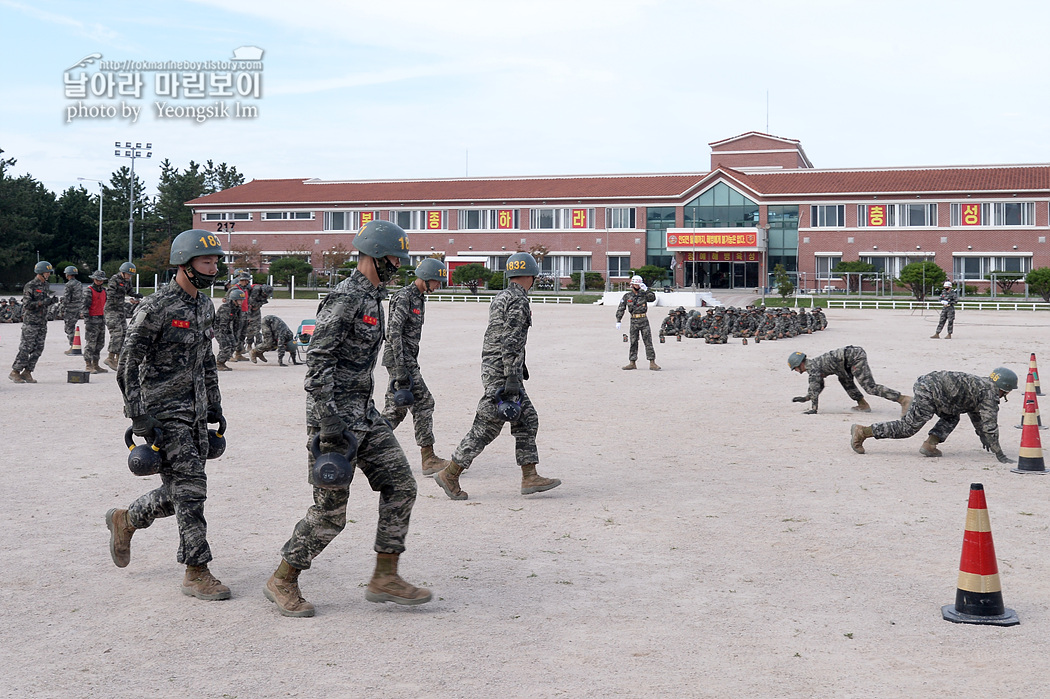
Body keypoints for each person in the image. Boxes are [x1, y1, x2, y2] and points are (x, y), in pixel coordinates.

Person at [264, 220, 430, 618]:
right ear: (374, 254)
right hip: (334, 418)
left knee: (402, 485)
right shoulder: (346, 297)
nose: (398, 264)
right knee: (330, 513)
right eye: (394, 257)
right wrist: (327, 422)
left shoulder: (375, 297)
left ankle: (385, 576)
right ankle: (283, 578)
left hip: (364, 412)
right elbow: (318, 360)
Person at [105, 229, 230, 601]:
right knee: (192, 490)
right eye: (207, 261)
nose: (213, 266)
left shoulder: (204, 306)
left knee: (181, 491)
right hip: (163, 415)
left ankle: (126, 519)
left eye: (215, 261)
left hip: (194, 411)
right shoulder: (155, 307)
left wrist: (214, 404)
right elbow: (127, 364)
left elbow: (205, 359)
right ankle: (196, 571)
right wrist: (138, 415)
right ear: (184, 264)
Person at [434, 251, 561, 501]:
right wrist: (512, 376)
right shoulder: (519, 300)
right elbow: (511, 338)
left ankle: (529, 475)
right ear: (532, 276)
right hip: (502, 372)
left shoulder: (502, 295)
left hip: (496, 366)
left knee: (526, 420)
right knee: (487, 426)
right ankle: (451, 473)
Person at [850, 367, 1017, 463]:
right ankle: (863, 432)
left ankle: (930, 445)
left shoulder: (984, 384)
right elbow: (990, 424)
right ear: (1004, 389)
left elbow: (976, 415)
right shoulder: (989, 394)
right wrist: (999, 453)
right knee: (908, 428)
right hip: (931, 391)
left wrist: (983, 436)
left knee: (952, 416)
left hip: (933, 386)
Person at [381, 257, 453, 476]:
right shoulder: (405, 297)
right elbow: (393, 332)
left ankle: (364, 449)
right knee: (424, 402)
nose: (438, 286)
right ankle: (428, 458)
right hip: (400, 360)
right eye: (437, 282)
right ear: (427, 278)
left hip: (407, 359)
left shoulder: (419, 298)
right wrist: (401, 367)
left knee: (396, 410)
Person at [788, 347, 911, 415]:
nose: (797, 371)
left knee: (870, 387)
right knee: (844, 379)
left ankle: (903, 399)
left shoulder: (813, 368)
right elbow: (819, 385)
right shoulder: (814, 365)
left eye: (796, 369)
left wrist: (813, 408)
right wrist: (806, 398)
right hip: (846, 363)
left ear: (799, 364)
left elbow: (815, 387)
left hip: (854, 358)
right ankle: (863, 405)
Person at [9, 261, 58, 384]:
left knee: (39, 348)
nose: (48, 274)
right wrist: (42, 303)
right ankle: (15, 371)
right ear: (40, 272)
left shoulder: (45, 285)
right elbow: (27, 305)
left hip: (42, 322)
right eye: (47, 272)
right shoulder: (30, 285)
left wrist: (51, 301)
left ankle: (28, 372)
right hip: (31, 322)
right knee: (26, 348)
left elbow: (45, 302)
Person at [103, 261, 143, 370]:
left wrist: (135, 295)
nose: (129, 277)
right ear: (123, 272)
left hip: (120, 310)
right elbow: (111, 296)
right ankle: (110, 358)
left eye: (131, 275)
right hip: (111, 310)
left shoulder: (127, 280)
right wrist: (128, 302)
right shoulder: (114, 280)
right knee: (117, 332)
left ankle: (119, 358)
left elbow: (129, 291)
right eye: (128, 274)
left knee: (125, 333)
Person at [615, 274, 659, 370]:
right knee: (633, 341)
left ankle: (652, 362)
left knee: (648, 341)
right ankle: (632, 362)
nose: (637, 286)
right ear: (632, 285)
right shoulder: (627, 296)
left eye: (639, 285)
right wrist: (618, 320)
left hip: (643, 320)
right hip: (634, 320)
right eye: (636, 284)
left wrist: (646, 289)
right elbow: (621, 308)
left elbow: (652, 298)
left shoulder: (644, 295)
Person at [81, 270, 109, 374]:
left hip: (101, 319)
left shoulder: (104, 291)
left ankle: (96, 364)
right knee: (90, 344)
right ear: (93, 279)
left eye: (101, 280)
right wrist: (87, 320)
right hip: (92, 320)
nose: (99, 281)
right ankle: (88, 364)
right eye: (97, 279)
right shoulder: (89, 291)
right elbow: (85, 306)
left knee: (100, 344)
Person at [214, 288, 244, 371]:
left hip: (227, 329)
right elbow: (222, 323)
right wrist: (224, 336)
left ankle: (223, 362)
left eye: (242, 300)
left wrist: (235, 335)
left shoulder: (237, 308)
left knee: (233, 344)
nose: (241, 302)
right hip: (219, 329)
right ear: (234, 300)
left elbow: (237, 323)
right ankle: (219, 363)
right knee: (226, 346)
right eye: (239, 300)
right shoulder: (226, 308)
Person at [61, 266, 84, 355]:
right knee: (72, 326)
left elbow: (66, 298)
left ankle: (73, 346)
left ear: (68, 274)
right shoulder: (79, 283)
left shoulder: (69, 284)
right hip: (78, 307)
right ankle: (73, 345)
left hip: (70, 308)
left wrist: (62, 307)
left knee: (69, 328)